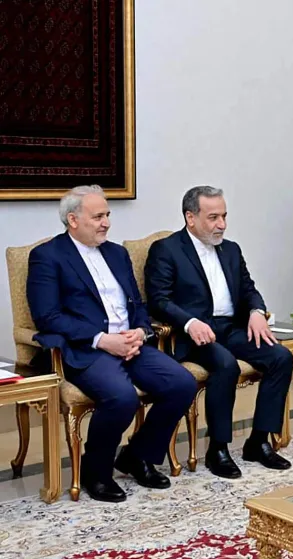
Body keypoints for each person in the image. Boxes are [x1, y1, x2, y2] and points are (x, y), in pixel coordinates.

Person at [26, 185, 197, 503]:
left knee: (181, 384)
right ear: (73, 220)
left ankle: (137, 457)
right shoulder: (47, 257)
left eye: (107, 215)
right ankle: (96, 473)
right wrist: (104, 340)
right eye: (98, 216)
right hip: (87, 350)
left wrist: (140, 332)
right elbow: (47, 317)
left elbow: (138, 306)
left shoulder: (117, 253)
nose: (106, 222)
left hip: (131, 345)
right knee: (121, 398)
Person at [145, 185, 293, 479]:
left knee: (281, 357)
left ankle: (258, 441)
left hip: (231, 327)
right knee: (225, 365)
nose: (222, 224)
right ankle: (219, 448)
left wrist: (255, 313)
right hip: (192, 333)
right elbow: (159, 299)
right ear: (191, 217)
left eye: (224, 216)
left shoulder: (231, 249)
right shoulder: (167, 250)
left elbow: (249, 290)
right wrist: (189, 322)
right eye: (213, 217)